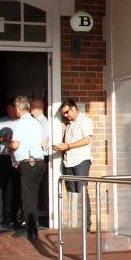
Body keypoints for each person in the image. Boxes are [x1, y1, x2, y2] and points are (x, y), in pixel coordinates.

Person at [8, 95, 46, 240]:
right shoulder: (35, 122)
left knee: (27, 196)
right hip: (39, 162)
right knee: (32, 195)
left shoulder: (21, 123)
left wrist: (9, 148)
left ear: (17, 108)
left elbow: (15, 143)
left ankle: (30, 228)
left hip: (29, 163)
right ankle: (32, 225)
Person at [53, 98, 93, 230]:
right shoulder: (70, 125)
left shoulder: (85, 121)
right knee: (72, 193)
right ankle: (75, 224)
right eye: (63, 114)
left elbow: (86, 140)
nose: (65, 115)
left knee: (81, 191)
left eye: (66, 112)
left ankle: (86, 225)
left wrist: (68, 146)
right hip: (69, 162)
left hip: (81, 161)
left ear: (74, 108)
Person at [0, 101, 20, 229]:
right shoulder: (1, 121)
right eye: (7, 109)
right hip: (3, 156)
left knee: (17, 188)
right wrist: (1, 139)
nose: (9, 112)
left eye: (11, 109)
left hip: (17, 157)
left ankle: (16, 218)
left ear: (16, 108)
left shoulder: (22, 122)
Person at [30, 97, 51, 219]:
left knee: (41, 187)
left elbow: (39, 141)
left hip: (42, 157)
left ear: (39, 107)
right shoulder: (33, 121)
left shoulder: (44, 123)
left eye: (33, 105)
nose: (31, 108)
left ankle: (42, 213)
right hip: (35, 157)